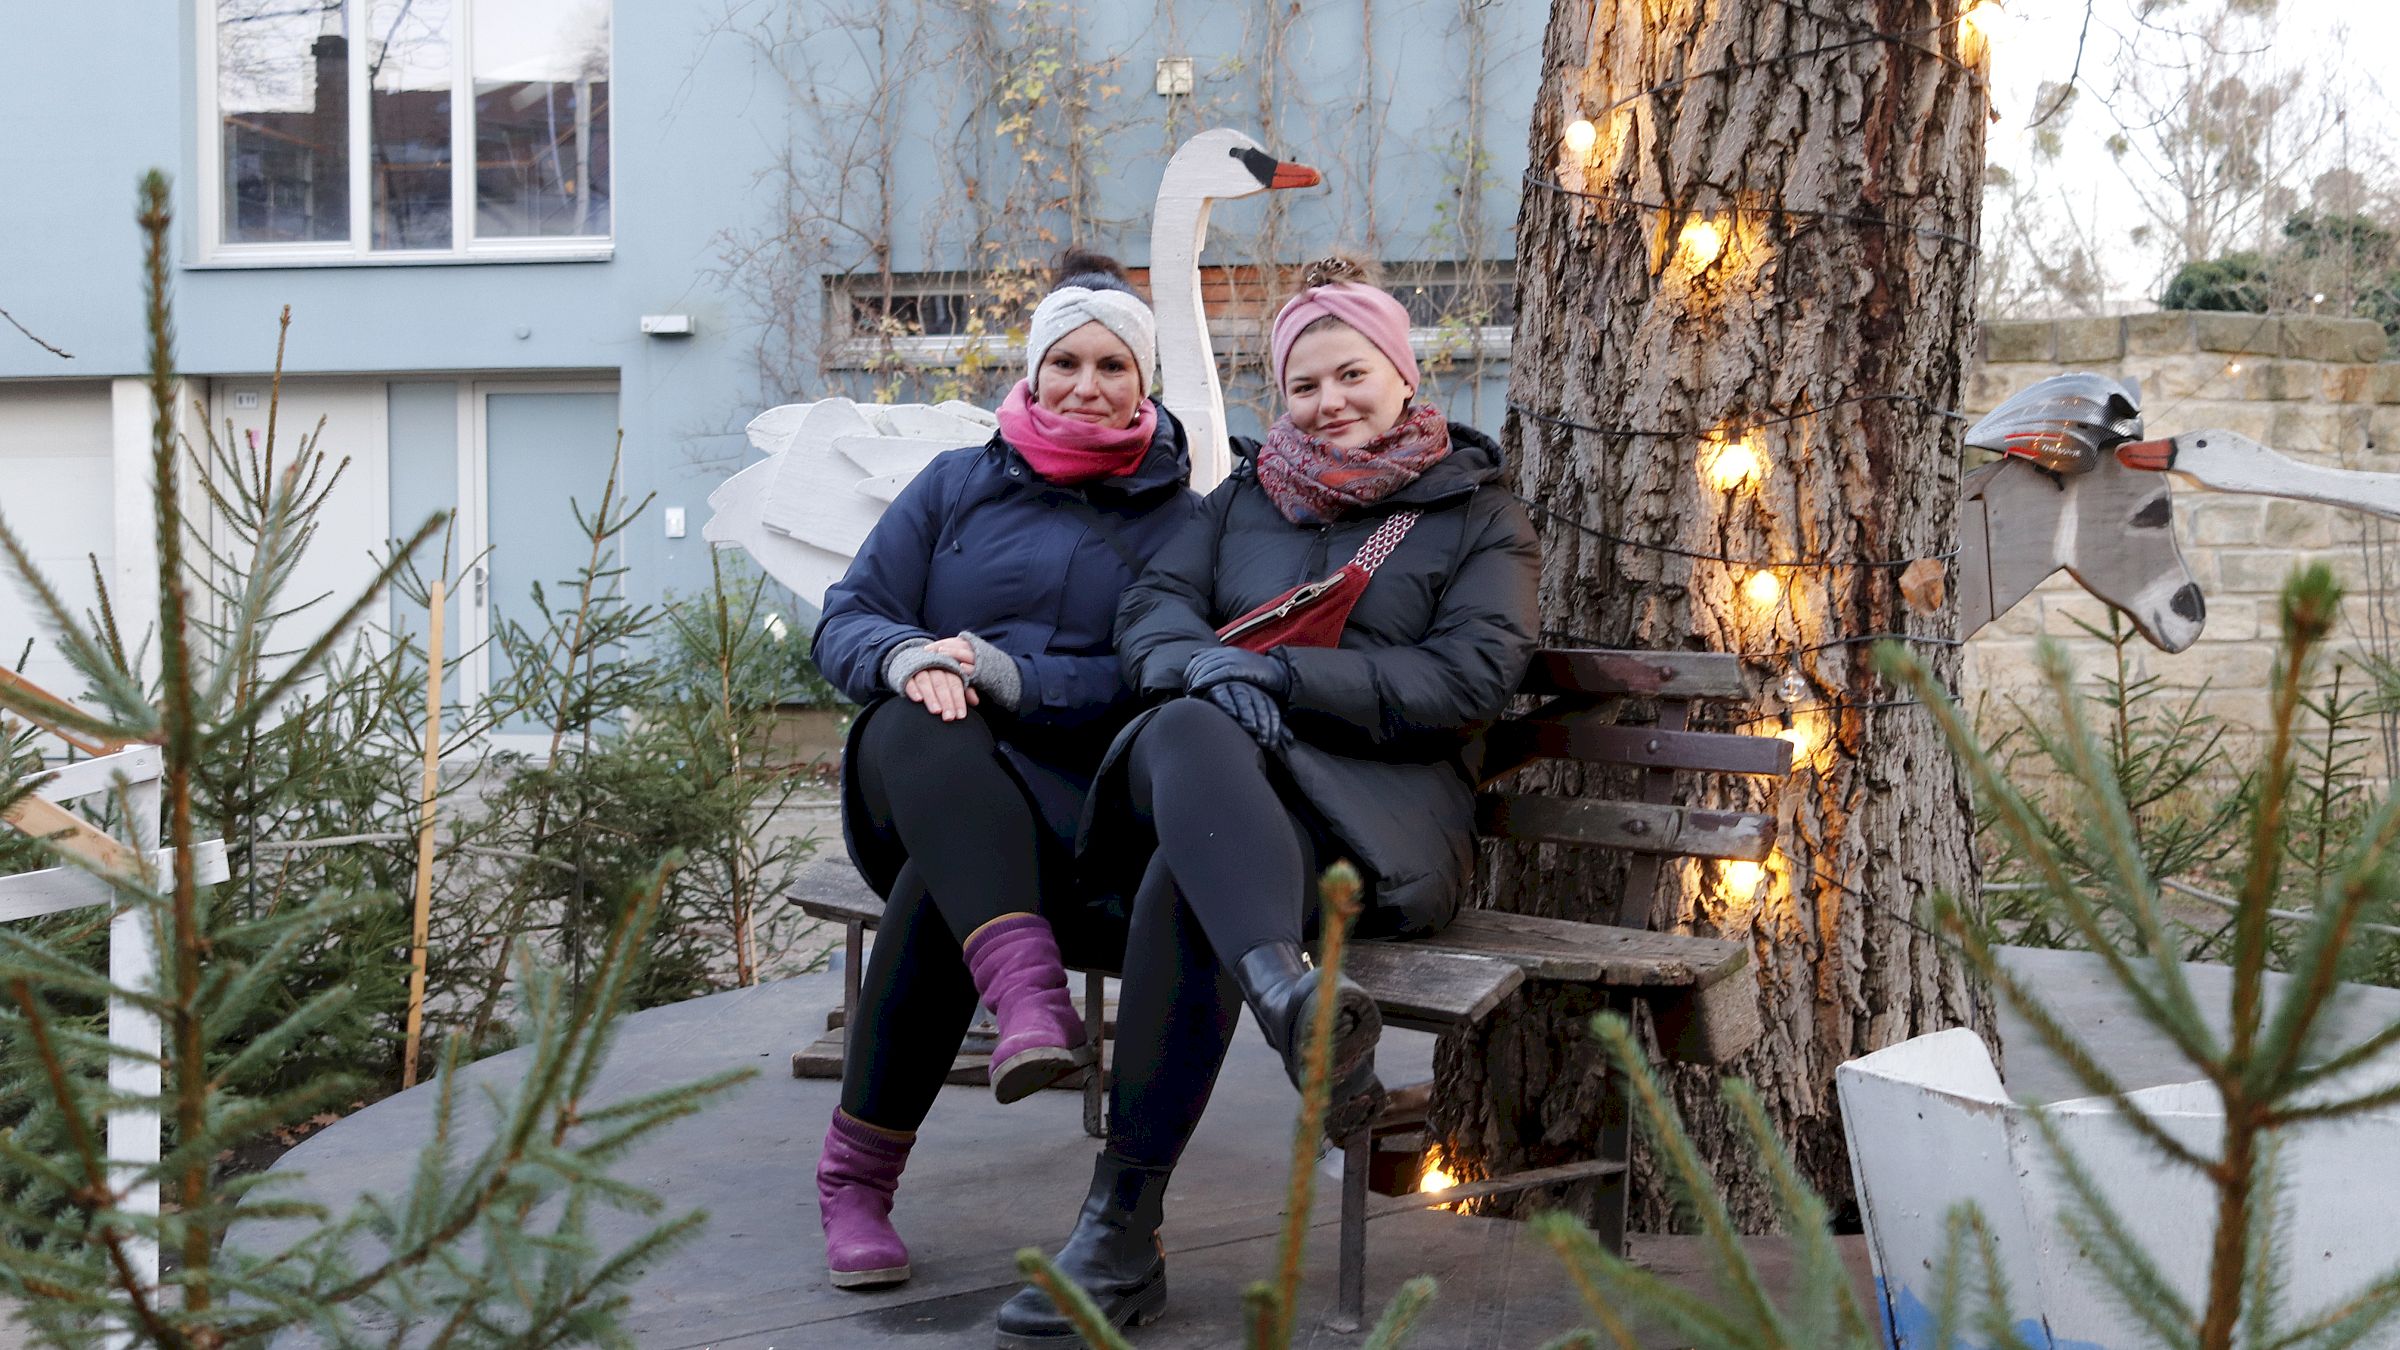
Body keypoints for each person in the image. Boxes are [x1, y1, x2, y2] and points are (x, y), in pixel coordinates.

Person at [991, 256, 1541, 1346]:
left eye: (1353, 376)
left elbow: (1473, 678)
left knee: (1181, 881)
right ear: (1278, 396)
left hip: (1381, 824)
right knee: (1192, 732)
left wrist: (1281, 676)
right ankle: (1287, 994)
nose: (1329, 402)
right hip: (1238, 798)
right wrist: (1209, 672)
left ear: (1402, 374)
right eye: (1303, 385)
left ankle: (1120, 1230)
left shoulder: (1479, 511)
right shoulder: (1242, 497)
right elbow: (1153, 609)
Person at [807, 252, 1199, 1292]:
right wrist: (910, 659)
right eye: (1064, 361)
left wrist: (1018, 678)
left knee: (946, 892)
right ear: (1032, 371)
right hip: (924, 775)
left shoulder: (1181, 516)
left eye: (1112, 365)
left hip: (1069, 804)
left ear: (1144, 381)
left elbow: (1154, 672)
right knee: (919, 718)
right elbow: (849, 616)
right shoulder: (955, 484)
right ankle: (1029, 1002)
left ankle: (854, 1184)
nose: (1086, 383)